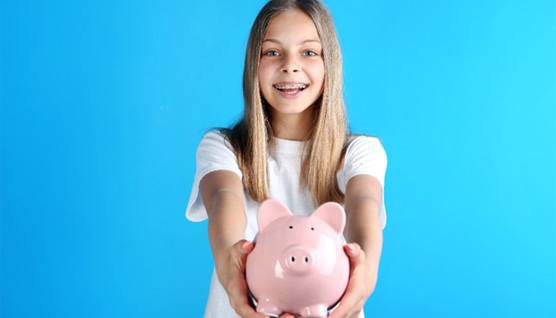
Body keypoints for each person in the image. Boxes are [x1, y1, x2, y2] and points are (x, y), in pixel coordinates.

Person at [185, 1, 388, 317]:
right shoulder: (223, 147)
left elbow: (365, 204)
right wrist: (229, 261)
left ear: (329, 64)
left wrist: (367, 267)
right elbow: (223, 198)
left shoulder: (360, 152)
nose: (290, 66)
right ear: (253, 63)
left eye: (308, 52)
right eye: (272, 52)